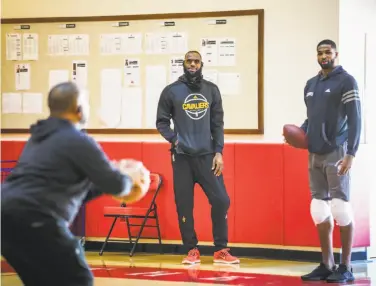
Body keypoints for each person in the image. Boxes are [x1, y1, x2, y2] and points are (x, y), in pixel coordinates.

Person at [1, 82, 149, 286]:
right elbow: (116, 184)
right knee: (80, 279)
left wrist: (108, 178)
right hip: (36, 218)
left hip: (5, 220)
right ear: (79, 109)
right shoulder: (77, 139)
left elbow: (80, 189)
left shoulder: (38, 139)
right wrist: (131, 178)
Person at [156, 50, 239, 265]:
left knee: (221, 200)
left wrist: (219, 151)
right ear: (183, 64)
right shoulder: (171, 91)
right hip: (182, 158)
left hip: (208, 156)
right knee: (184, 205)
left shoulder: (211, 90)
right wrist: (174, 140)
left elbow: (217, 124)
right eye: (189, 61)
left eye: (196, 61)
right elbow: (162, 122)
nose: (192, 64)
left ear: (202, 64)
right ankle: (191, 249)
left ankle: (221, 250)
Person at [293, 40, 361, 283]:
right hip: (314, 152)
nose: (324, 56)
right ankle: (327, 263)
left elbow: (355, 119)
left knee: (340, 208)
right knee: (318, 208)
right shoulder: (311, 84)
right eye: (320, 52)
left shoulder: (346, 81)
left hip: (337, 151)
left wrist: (350, 153)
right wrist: (298, 133)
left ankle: (346, 267)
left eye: (328, 52)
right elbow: (310, 118)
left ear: (336, 54)